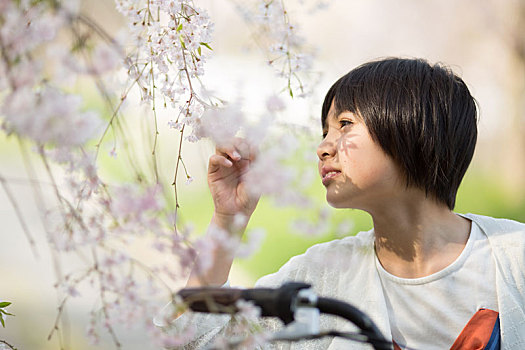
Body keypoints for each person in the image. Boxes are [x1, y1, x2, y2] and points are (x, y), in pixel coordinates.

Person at [160, 58, 525, 349]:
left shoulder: (514, 258)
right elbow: (194, 340)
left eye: (345, 124)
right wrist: (228, 220)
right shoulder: (322, 275)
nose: (323, 147)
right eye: (324, 132)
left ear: (414, 128)